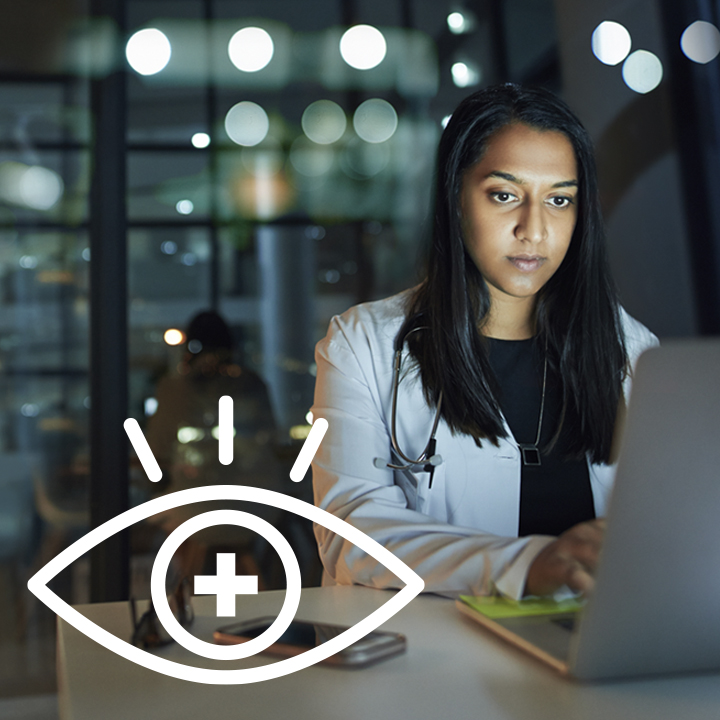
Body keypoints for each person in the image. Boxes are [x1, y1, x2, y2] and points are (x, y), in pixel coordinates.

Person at [310, 84, 658, 600]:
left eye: (559, 200)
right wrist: (530, 563)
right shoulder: (362, 345)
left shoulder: (633, 351)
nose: (534, 229)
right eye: (504, 195)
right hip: (437, 661)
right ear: (455, 196)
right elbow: (352, 534)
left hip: (596, 651)